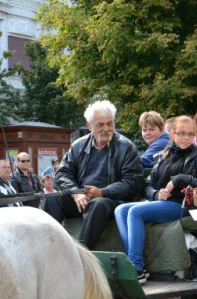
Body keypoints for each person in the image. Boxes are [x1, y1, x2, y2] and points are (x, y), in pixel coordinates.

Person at [115, 116, 197, 283]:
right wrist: (155, 194)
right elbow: (148, 184)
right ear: (172, 134)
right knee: (121, 210)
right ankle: (136, 263)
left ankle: (136, 267)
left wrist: (183, 178)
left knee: (135, 212)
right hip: (161, 202)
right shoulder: (164, 155)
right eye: (182, 133)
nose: (186, 138)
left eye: (190, 134)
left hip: (183, 205)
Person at [45, 99, 143, 249]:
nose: (106, 129)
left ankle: (82, 253)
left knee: (98, 204)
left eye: (110, 123)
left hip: (111, 200)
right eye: (100, 124)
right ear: (89, 126)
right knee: (53, 198)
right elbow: (62, 173)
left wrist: (102, 192)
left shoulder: (126, 147)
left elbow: (133, 182)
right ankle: (50, 246)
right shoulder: (78, 145)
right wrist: (76, 193)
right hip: (82, 197)